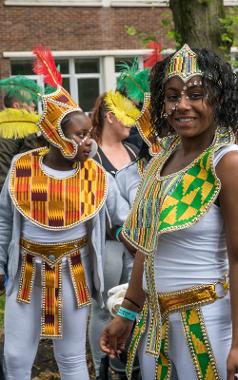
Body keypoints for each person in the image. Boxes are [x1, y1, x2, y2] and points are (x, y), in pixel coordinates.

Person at [100, 44, 238, 380]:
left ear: (218, 99)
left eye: (196, 94)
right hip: (156, 328)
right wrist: (129, 313)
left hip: (210, 325)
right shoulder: (160, 161)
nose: (182, 105)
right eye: (173, 96)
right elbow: (148, 247)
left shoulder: (226, 163)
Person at [0, 46, 130, 380]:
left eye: (89, 133)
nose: (88, 141)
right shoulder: (22, 167)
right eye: (79, 134)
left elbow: (125, 221)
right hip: (26, 274)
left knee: (71, 357)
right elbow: (3, 221)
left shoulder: (96, 173)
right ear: (55, 134)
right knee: (15, 357)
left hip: (75, 275)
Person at [89, 90, 140, 379]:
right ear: (111, 116)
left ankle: (126, 366)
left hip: (135, 247)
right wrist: (119, 230)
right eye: (127, 117)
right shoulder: (91, 153)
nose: (132, 123)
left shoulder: (133, 151)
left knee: (129, 306)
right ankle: (101, 370)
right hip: (107, 245)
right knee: (103, 309)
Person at [0, 76, 42, 192]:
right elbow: (31, 161)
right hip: (11, 189)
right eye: (29, 102)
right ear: (16, 105)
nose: (33, 105)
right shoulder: (26, 127)